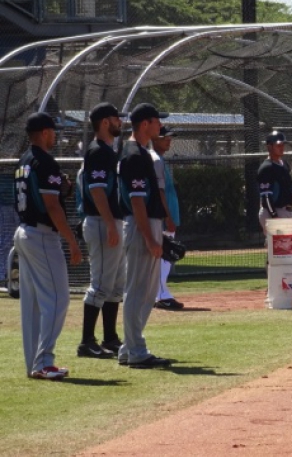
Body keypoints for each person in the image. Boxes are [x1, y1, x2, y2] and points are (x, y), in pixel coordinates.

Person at [14, 112, 82, 380]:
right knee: (58, 299)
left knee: (32, 304)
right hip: (42, 236)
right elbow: (52, 207)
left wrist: (61, 189)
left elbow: (45, 197)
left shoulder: (24, 160)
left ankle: (35, 363)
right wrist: (72, 241)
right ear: (44, 133)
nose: (56, 135)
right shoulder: (45, 161)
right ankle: (44, 362)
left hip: (25, 232)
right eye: (53, 131)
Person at [117, 103, 171, 369]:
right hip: (141, 226)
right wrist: (150, 237)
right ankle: (136, 351)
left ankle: (129, 348)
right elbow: (136, 201)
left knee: (146, 291)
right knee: (137, 290)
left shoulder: (137, 152)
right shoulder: (135, 154)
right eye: (156, 121)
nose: (160, 126)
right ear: (145, 124)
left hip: (146, 224)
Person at [76, 102, 126, 359]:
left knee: (116, 285)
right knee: (100, 285)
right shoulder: (98, 151)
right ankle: (87, 341)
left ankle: (110, 338)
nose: (120, 122)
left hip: (108, 222)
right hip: (100, 222)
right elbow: (96, 191)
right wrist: (109, 224)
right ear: (105, 122)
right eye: (116, 119)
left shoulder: (107, 151)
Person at [257, 130, 292, 264]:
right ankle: (275, 283)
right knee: (282, 253)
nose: (282, 148)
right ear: (269, 147)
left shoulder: (284, 165)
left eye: (283, 145)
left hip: (285, 212)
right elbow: (266, 198)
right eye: (278, 145)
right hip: (273, 211)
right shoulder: (266, 168)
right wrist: (275, 218)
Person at [150, 126, 183, 310]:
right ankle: (161, 295)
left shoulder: (160, 160)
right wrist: (167, 216)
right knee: (165, 256)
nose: (168, 140)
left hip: (165, 215)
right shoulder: (155, 160)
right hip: (163, 216)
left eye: (170, 138)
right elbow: (159, 192)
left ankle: (159, 293)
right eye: (165, 137)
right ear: (154, 138)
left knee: (164, 257)